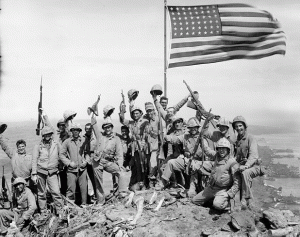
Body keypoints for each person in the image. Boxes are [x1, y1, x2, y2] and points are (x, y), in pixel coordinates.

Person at [157, 117, 208, 189]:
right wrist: (165, 137)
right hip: (186, 160)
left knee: (197, 185)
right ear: (189, 128)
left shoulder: (202, 138)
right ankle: (162, 183)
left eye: (195, 127)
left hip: (197, 163)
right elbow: (175, 139)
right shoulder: (185, 136)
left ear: (197, 128)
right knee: (171, 163)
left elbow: (207, 151)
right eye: (191, 128)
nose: (193, 129)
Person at [191, 138, 240, 211]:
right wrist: (202, 140)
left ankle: (228, 203)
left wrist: (229, 193)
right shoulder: (217, 156)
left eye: (224, 148)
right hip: (212, 187)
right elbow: (207, 151)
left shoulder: (232, 163)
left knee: (217, 205)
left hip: (223, 190)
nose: (221, 150)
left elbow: (237, 182)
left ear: (228, 150)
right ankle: (212, 199)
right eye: (220, 148)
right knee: (195, 200)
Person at [91, 115, 127, 204]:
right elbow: (94, 125)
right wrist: (93, 114)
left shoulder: (116, 139)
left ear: (112, 127)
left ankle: (122, 193)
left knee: (121, 173)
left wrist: (120, 165)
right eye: (105, 127)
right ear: (103, 128)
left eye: (109, 127)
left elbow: (119, 154)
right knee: (99, 182)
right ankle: (100, 202)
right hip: (97, 161)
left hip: (108, 162)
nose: (107, 129)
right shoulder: (100, 136)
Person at [32, 126, 64, 219]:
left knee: (56, 191)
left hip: (52, 172)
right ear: (43, 135)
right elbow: (34, 159)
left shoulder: (56, 144)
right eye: (45, 134)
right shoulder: (37, 146)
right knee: (41, 193)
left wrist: (60, 167)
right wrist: (34, 173)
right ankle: (43, 212)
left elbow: (61, 155)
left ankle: (60, 210)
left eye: (49, 134)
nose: (47, 136)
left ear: (51, 135)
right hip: (41, 172)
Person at [232, 116, 261, 210]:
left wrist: (246, 165)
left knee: (245, 173)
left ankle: (247, 201)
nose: (238, 128)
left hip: (253, 166)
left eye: (240, 125)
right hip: (242, 166)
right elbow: (236, 156)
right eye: (236, 126)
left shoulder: (250, 138)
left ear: (244, 126)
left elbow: (253, 156)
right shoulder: (238, 140)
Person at [119, 104, 149, 191]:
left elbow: (146, 134)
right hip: (134, 147)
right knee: (137, 166)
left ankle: (145, 183)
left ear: (140, 113)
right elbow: (122, 120)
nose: (135, 115)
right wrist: (122, 111)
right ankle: (139, 183)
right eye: (134, 114)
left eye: (137, 113)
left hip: (143, 146)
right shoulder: (131, 123)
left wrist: (143, 144)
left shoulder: (145, 122)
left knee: (144, 165)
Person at [60, 123, 88, 206]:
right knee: (71, 189)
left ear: (80, 131)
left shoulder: (84, 140)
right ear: (71, 131)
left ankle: (84, 205)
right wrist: (69, 163)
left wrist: (86, 161)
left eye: (77, 130)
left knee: (83, 188)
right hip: (71, 170)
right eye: (74, 130)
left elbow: (88, 153)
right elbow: (61, 154)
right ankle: (70, 206)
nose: (75, 132)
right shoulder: (67, 142)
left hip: (82, 169)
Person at [82, 123, 97, 200]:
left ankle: (96, 195)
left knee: (95, 179)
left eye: (90, 129)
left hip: (94, 161)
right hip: (85, 160)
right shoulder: (82, 137)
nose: (88, 130)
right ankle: (88, 196)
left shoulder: (95, 138)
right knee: (85, 179)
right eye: (86, 129)